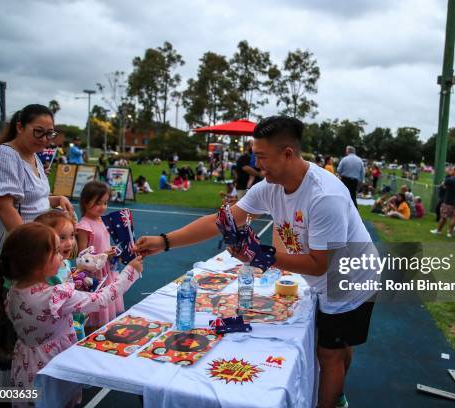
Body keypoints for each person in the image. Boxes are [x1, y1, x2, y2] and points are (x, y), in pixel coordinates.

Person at [136, 116, 377, 408]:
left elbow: (316, 264)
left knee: (329, 354)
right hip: (325, 277)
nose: (257, 164)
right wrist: (165, 241)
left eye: (262, 157)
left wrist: (259, 255)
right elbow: (220, 222)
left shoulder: (325, 196)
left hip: (349, 281)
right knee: (335, 343)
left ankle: (334, 397)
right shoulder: (269, 187)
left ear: (287, 154)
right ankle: (337, 382)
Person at [0, 105, 75, 388]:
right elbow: (7, 211)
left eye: (49, 133)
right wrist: (38, 253)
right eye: (38, 132)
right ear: (19, 126)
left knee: (28, 319)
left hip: (34, 245)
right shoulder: (4, 156)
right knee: (7, 324)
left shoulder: (33, 157)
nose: (44, 139)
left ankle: (21, 384)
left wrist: (54, 200)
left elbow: (30, 199)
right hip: (12, 247)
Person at [0, 222, 142, 393]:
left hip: (26, 362)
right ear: (38, 264)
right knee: (58, 398)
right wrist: (130, 272)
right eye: (56, 253)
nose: (62, 257)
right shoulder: (54, 296)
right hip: (54, 360)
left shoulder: (14, 290)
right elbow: (101, 299)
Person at [75, 181, 123, 332]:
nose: (103, 207)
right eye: (98, 203)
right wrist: (103, 255)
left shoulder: (102, 220)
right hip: (93, 276)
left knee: (105, 310)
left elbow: (105, 243)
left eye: (105, 203)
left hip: (106, 271)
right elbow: (82, 256)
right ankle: (90, 337)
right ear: (85, 202)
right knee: (94, 313)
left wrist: (111, 250)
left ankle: (100, 334)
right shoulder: (84, 225)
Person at [34, 210, 77, 284]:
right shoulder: (46, 272)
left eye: (72, 235)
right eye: (62, 238)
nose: (69, 243)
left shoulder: (66, 262)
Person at [431, 166, 455, 237]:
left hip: (448, 202)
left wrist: (448, 175)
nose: (451, 170)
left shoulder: (450, 179)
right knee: (453, 218)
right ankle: (449, 232)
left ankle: (438, 231)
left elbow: (442, 185)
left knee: (443, 217)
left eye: (452, 169)